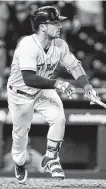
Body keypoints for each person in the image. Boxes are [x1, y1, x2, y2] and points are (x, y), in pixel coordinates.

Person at [7, 6, 100, 184]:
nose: (60, 25)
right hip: (21, 94)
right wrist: (57, 83)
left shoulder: (59, 44)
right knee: (20, 136)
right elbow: (28, 79)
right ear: (42, 26)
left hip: (43, 89)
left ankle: (51, 158)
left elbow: (74, 66)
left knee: (59, 117)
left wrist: (87, 87)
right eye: (55, 22)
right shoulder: (27, 44)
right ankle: (19, 163)